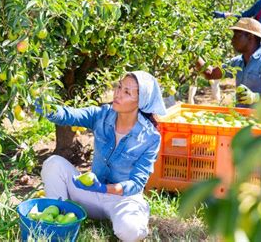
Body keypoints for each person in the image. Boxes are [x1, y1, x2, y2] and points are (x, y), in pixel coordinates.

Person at [38, 71, 167, 242]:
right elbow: (70, 115)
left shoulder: (150, 137)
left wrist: (104, 188)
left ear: (141, 102)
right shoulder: (102, 115)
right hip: (90, 194)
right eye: (119, 86)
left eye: (127, 92)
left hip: (121, 200)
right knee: (53, 163)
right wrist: (49, 109)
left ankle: (136, 214)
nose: (118, 93)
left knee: (132, 231)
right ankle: (57, 222)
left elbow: (136, 183)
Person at [197, 17, 261, 108]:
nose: (232, 41)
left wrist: (256, 97)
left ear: (250, 37)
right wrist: (192, 53)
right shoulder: (237, 62)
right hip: (243, 118)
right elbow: (211, 73)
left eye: (236, 36)